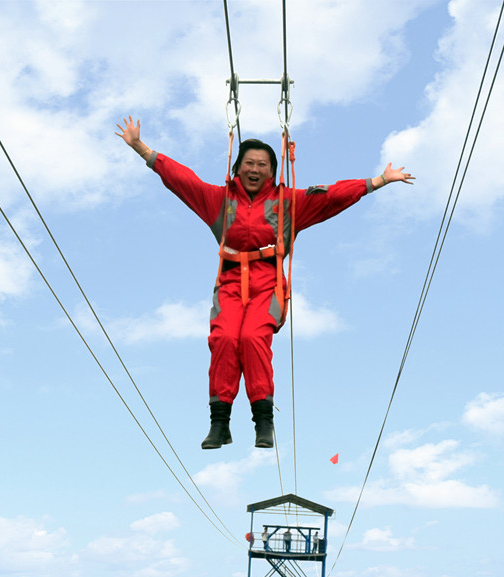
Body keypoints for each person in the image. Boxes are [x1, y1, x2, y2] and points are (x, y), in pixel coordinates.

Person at [116, 116, 414, 449]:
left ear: (272, 172)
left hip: (268, 284)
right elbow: (183, 180)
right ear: (237, 168)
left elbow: (330, 196)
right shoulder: (219, 201)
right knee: (226, 338)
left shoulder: (289, 204)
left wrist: (378, 181)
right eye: (248, 163)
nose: (254, 169)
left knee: (253, 338)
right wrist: (142, 148)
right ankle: (220, 423)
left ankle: (264, 422)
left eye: (262, 164)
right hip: (230, 282)